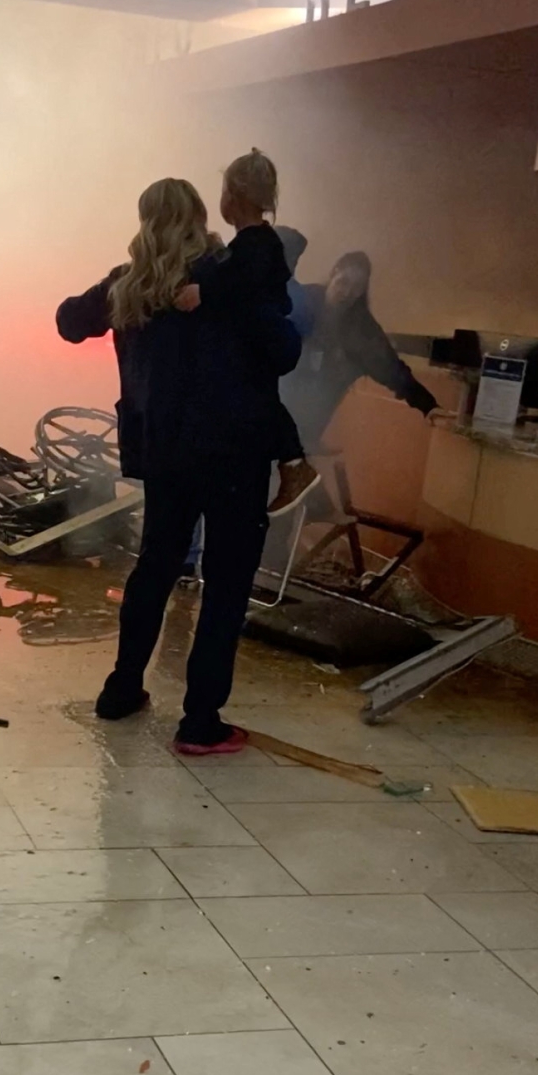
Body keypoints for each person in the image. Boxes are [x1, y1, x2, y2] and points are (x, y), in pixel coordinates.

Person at [57, 160, 301, 755]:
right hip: (234, 453)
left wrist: (124, 293)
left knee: (155, 567)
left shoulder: (128, 282)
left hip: (164, 452)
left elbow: (68, 321)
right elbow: (284, 350)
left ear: (145, 222)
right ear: (200, 217)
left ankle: (121, 690)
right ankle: (200, 722)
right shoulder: (225, 276)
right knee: (224, 583)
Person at [179, 222, 318, 581]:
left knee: (210, 498)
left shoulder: (247, 293)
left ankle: (196, 561)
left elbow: (285, 351)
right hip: (227, 413)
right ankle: (200, 562)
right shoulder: (248, 289)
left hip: (229, 418)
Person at [282, 250, 437, 452]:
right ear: (334, 272)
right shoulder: (303, 301)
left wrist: (429, 405)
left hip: (306, 432)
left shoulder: (361, 329)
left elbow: (391, 368)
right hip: (270, 411)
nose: (347, 293)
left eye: (357, 288)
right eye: (344, 282)